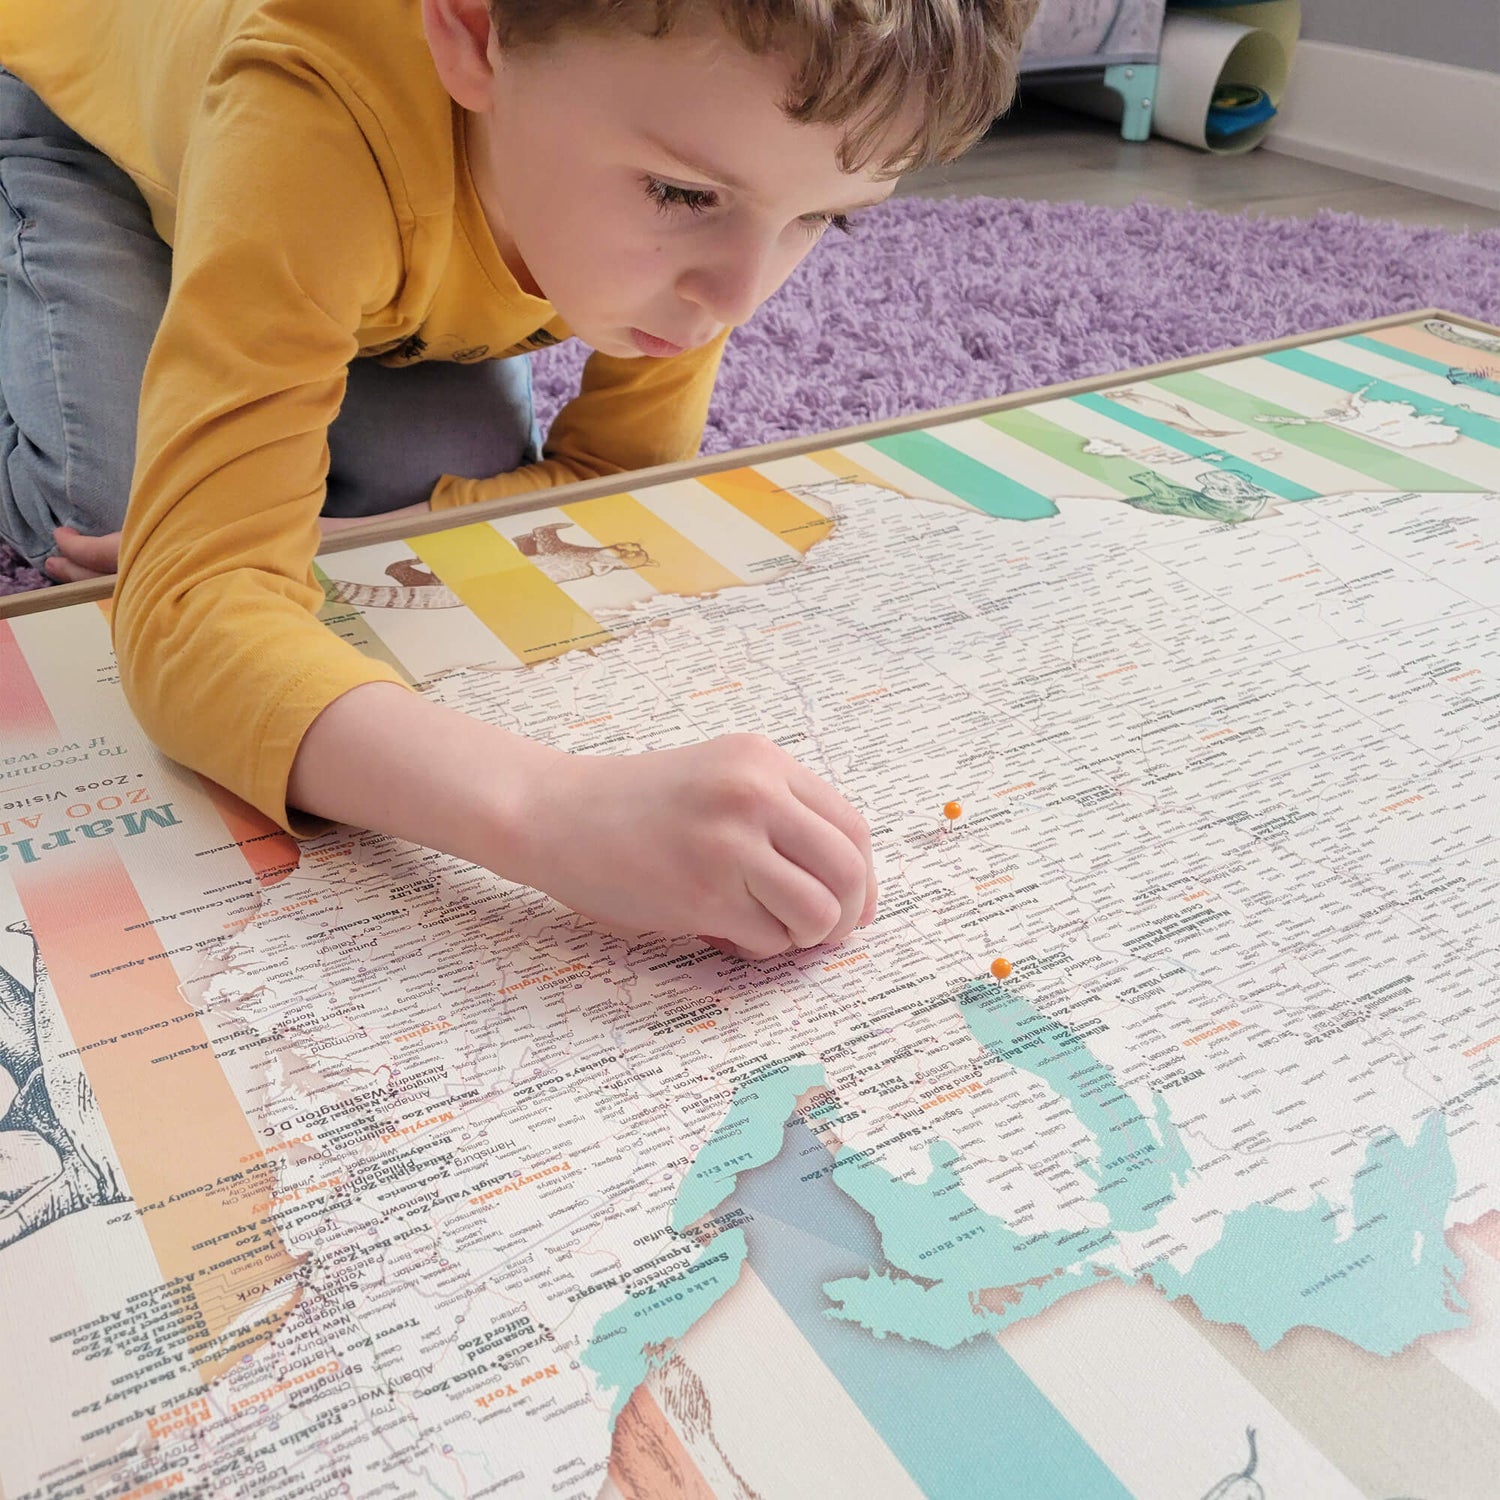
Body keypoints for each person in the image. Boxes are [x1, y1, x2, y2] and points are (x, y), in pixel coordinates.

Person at [0, 0, 1036, 960]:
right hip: (86, 127)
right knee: (113, 514)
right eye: (682, 192)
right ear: (475, 29)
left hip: (352, 220)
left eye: (825, 217)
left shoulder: (696, 162)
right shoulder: (311, 100)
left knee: (428, 492)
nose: (735, 297)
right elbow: (185, 609)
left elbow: (612, 479)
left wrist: (304, 537)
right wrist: (548, 811)